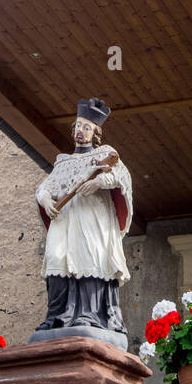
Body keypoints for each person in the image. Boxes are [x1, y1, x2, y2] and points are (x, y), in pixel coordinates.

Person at [35, 98, 132, 338]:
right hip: (64, 219)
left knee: (89, 258)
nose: (80, 130)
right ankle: (57, 316)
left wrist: (99, 182)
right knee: (57, 259)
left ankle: (89, 314)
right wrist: (46, 200)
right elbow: (46, 187)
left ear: (95, 133)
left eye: (86, 127)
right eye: (78, 126)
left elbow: (122, 177)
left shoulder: (105, 154)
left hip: (92, 219)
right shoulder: (63, 162)